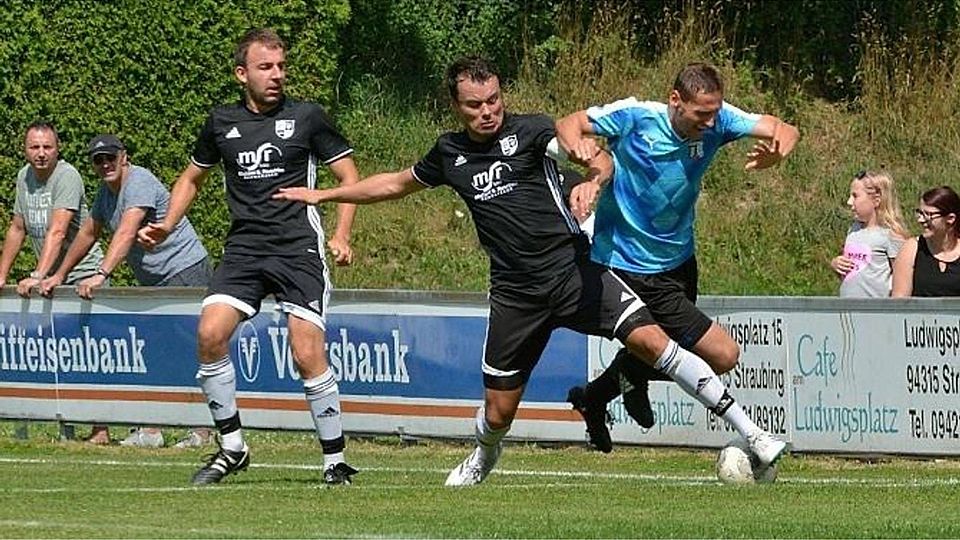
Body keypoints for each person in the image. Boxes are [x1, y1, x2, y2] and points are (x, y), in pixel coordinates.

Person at [273, 56, 788, 486]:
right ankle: (484, 454)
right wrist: (327, 195)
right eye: (475, 105)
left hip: (574, 272)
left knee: (653, 341)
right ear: (456, 107)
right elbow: (394, 184)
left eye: (494, 100)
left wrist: (592, 178)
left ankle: (754, 434)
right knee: (498, 412)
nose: (488, 111)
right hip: (516, 295)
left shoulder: (532, 132)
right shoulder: (450, 154)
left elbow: (597, 157)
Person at [136, 28, 361, 485]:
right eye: (265, 67)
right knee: (209, 333)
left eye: (281, 66)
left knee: (305, 351)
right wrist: (167, 224)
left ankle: (335, 460)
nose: (276, 75)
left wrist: (341, 234)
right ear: (242, 74)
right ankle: (233, 448)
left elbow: (349, 176)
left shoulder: (307, 117)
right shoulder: (221, 123)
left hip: (297, 247)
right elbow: (192, 178)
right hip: (244, 248)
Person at [556, 62, 800, 452]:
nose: (710, 121)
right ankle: (623, 380)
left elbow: (782, 127)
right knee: (722, 356)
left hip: (679, 262)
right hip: (626, 264)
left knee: (661, 351)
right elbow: (570, 123)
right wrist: (578, 149)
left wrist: (781, 149)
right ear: (675, 100)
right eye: (701, 113)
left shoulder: (720, 120)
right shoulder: (636, 117)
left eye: (715, 112)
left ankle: (604, 391)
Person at [39, 133, 215, 449]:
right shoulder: (106, 194)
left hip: (185, 270)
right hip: (156, 280)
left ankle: (202, 430)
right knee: (157, 352)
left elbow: (125, 232)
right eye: (98, 160)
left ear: (124, 157)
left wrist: (101, 274)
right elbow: (88, 233)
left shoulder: (139, 181)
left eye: (110, 157)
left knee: (191, 350)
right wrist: (58, 275)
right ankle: (152, 429)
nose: (105, 164)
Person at [0, 121, 104, 296]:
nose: (41, 153)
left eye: (47, 147)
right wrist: (2, 275)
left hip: (84, 274)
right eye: (34, 147)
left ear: (57, 149)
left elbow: (58, 231)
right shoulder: (24, 176)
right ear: (24, 149)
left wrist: (37, 275)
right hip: (52, 276)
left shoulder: (66, 176)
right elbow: (17, 229)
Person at [829, 169, 908, 297]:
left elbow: (903, 279)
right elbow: (855, 273)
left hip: (876, 307)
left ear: (877, 200)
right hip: (847, 306)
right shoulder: (853, 229)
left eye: (855, 196)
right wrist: (836, 264)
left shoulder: (891, 235)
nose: (849, 202)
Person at [892, 185, 960, 297]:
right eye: (920, 213)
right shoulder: (911, 249)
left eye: (929, 215)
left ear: (950, 218)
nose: (920, 220)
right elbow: (900, 301)